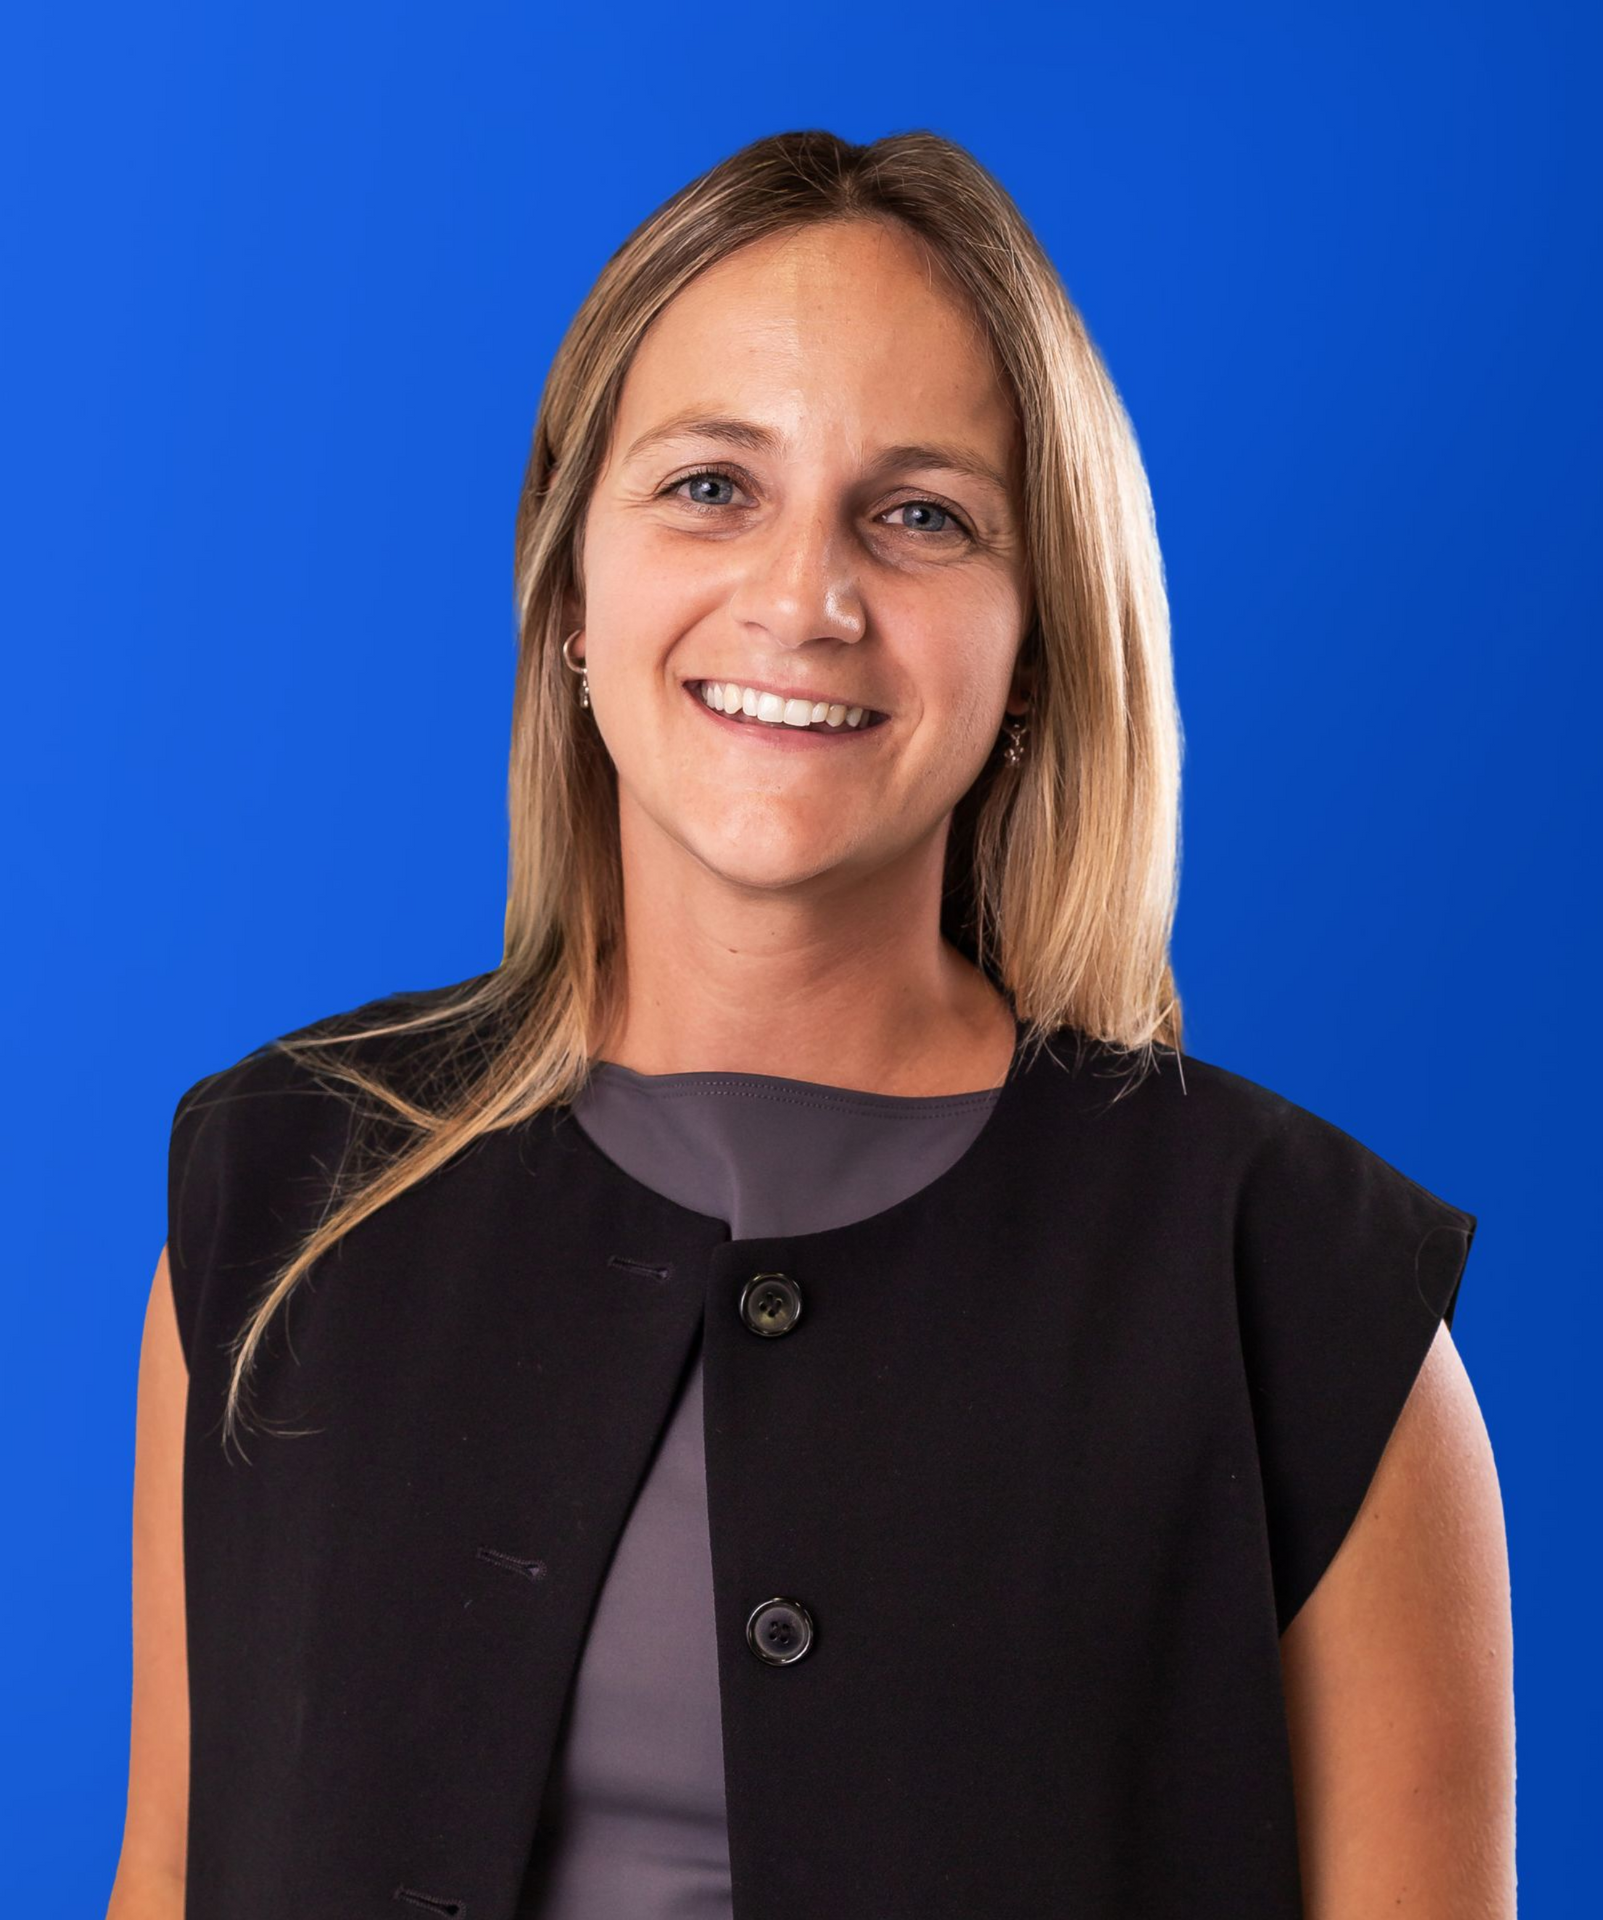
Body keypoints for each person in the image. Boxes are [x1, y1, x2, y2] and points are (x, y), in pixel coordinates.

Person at [107, 129, 1515, 1919]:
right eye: (711, 484)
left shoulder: (1306, 1305)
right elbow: (166, 1880)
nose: (806, 600)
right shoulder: (282, 1201)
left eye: (921, 514)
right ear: (568, 592)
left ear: (1038, 644)